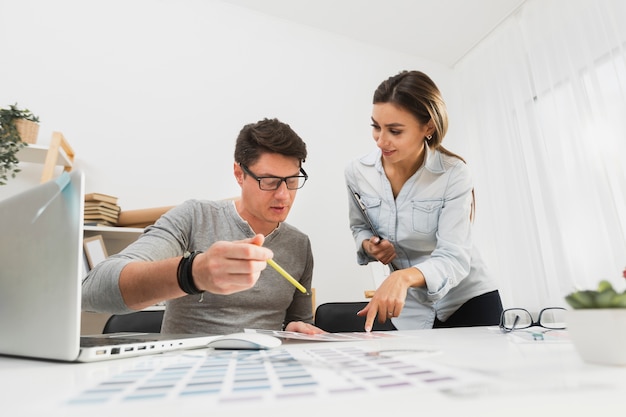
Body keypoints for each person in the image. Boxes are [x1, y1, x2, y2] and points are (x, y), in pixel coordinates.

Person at [83, 118, 324, 335]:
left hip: (262, 373)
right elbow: (93, 290)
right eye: (269, 182)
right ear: (239, 174)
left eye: (292, 181)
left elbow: (299, 321)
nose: (284, 195)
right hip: (188, 372)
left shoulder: (299, 245)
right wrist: (192, 273)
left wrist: (295, 329)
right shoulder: (194, 218)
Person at [345, 70, 503, 332]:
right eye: (376, 126)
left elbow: (453, 256)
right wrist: (369, 246)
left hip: (467, 300)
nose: (381, 140)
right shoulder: (357, 173)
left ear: (427, 127)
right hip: (411, 308)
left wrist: (403, 277)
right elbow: (358, 226)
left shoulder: (454, 174)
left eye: (395, 131)